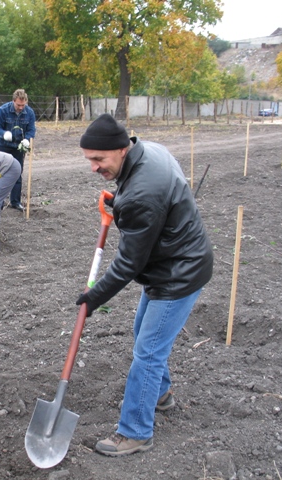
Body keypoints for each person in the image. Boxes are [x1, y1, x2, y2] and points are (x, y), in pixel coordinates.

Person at [75, 113, 214, 457]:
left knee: (148, 352)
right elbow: (140, 199)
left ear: (122, 150)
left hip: (177, 274)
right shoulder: (148, 151)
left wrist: (93, 299)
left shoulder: (141, 193)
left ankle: (135, 431)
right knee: (144, 334)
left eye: (99, 159)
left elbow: (128, 263)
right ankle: (161, 394)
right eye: (89, 159)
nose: (93, 167)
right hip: (170, 260)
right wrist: (117, 201)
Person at [0, 88, 36, 212]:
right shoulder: (3, 110)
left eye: (23, 105)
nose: (21, 107)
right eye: (18, 105)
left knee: (17, 173)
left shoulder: (30, 113)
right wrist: (3, 133)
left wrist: (27, 139)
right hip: (3, 146)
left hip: (18, 147)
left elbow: (31, 129)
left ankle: (15, 202)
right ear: (13, 101)